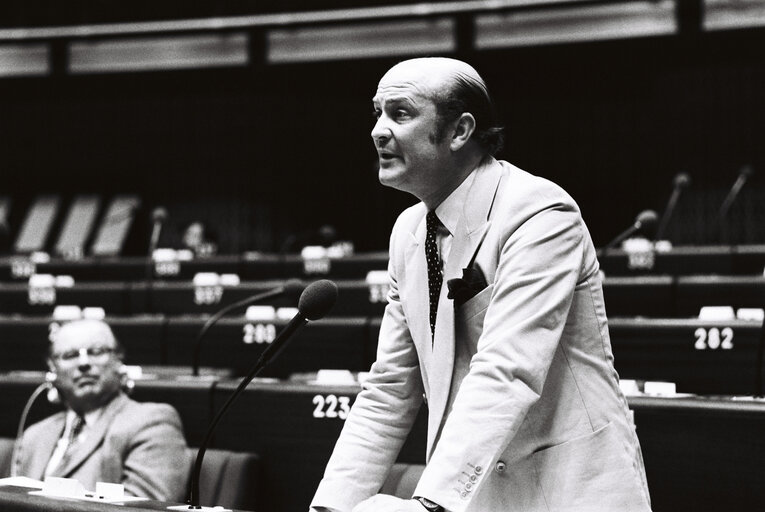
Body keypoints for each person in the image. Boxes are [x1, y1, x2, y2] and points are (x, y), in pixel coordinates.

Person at [310, 57, 651, 512]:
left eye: (401, 112)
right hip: (471, 493)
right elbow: (390, 386)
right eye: (378, 112)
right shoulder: (408, 232)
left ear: (460, 131)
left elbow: (506, 369)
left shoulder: (540, 213)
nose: (378, 130)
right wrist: (329, 507)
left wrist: (430, 504)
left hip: (570, 491)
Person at [15, 319, 190, 501]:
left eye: (96, 352)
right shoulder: (34, 436)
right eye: (70, 355)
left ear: (118, 360)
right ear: (53, 370)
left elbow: (146, 508)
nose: (84, 363)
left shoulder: (152, 422)